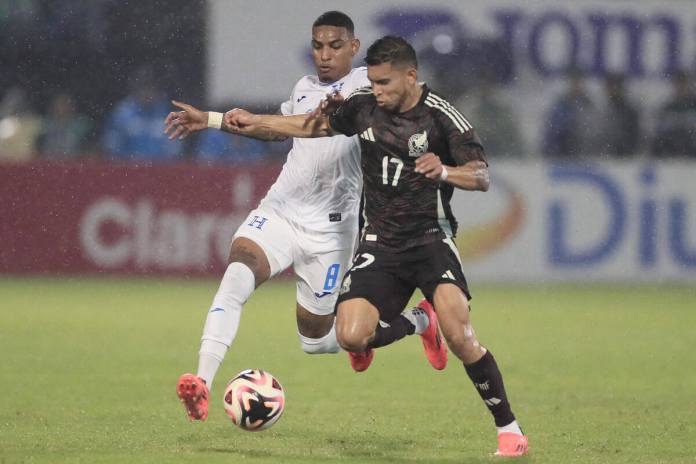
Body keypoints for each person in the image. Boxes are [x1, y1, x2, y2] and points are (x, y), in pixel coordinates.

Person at [226, 35, 529, 457]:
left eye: (385, 82)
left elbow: (481, 176)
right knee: (350, 337)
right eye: (372, 81)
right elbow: (311, 127)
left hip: (430, 240)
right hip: (379, 243)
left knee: (460, 335)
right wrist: (254, 122)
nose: (377, 90)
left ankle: (509, 429)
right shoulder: (364, 105)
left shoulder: (442, 117)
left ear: (411, 76)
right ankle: (421, 322)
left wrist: (444, 171)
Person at [164, 12, 446, 422]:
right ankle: (202, 384)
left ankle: (421, 320)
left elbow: (383, 110)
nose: (325, 55)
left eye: (335, 45)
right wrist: (210, 120)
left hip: (332, 231)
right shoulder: (304, 87)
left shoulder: (371, 88)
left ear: (354, 46)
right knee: (237, 275)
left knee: (318, 342)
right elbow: (279, 130)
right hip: (281, 210)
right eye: (317, 46)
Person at [103, 65, 183, 161]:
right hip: (127, 170)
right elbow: (111, 148)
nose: (146, 93)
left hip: (160, 171)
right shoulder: (122, 113)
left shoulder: (168, 114)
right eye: (142, 88)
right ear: (135, 89)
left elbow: (175, 152)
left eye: (150, 88)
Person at [651, 70, 696, 157]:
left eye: (684, 84)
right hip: (671, 156)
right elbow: (660, 135)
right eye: (678, 84)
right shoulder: (667, 108)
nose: (681, 88)